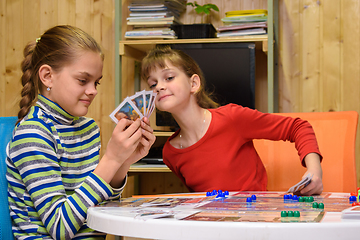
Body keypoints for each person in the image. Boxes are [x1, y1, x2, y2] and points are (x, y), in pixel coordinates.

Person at [6, 25, 156, 239]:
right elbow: (60, 228)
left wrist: (124, 162)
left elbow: (98, 208)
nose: (93, 90)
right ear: (47, 76)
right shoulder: (32, 133)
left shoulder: (88, 128)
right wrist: (111, 160)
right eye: (82, 80)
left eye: (96, 82)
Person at [141, 45, 323, 196]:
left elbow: (298, 127)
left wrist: (314, 172)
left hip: (253, 225)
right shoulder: (170, 153)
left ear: (194, 84)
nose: (160, 87)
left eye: (169, 77)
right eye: (153, 84)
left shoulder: (232, 118)